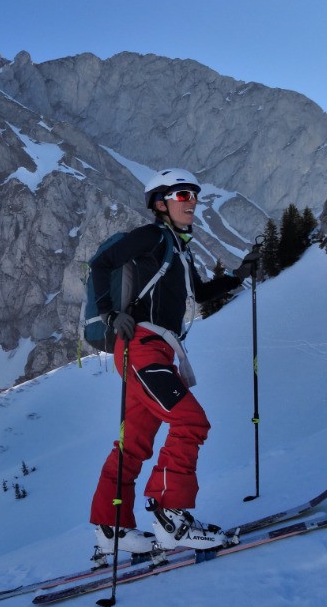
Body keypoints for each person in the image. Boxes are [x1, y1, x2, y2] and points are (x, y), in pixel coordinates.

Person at [89, 168, 259, 555]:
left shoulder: (180, 249)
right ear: (161, 203)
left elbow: (198, 293)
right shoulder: (151, 236)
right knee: (189, 420)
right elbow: (101, 264)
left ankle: (109, 530)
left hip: (157, 349)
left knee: (132, 443)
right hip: (141, 346)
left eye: (194, 195)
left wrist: (239, 275)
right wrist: (109, 315)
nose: (192, 201)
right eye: (183, 194)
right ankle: (171, 518)